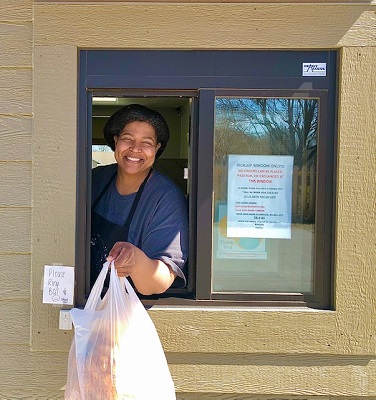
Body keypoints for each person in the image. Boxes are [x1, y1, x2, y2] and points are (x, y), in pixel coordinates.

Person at [90, 104, 188, 295]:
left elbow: (161, 280)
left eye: (147, 142)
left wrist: (135, 262)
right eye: (127, 139)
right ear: (116, 141)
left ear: (157, 149)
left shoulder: (165, 198)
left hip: (124, 314)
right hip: (85, 303)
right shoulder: (95, 179)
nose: (135, 148)